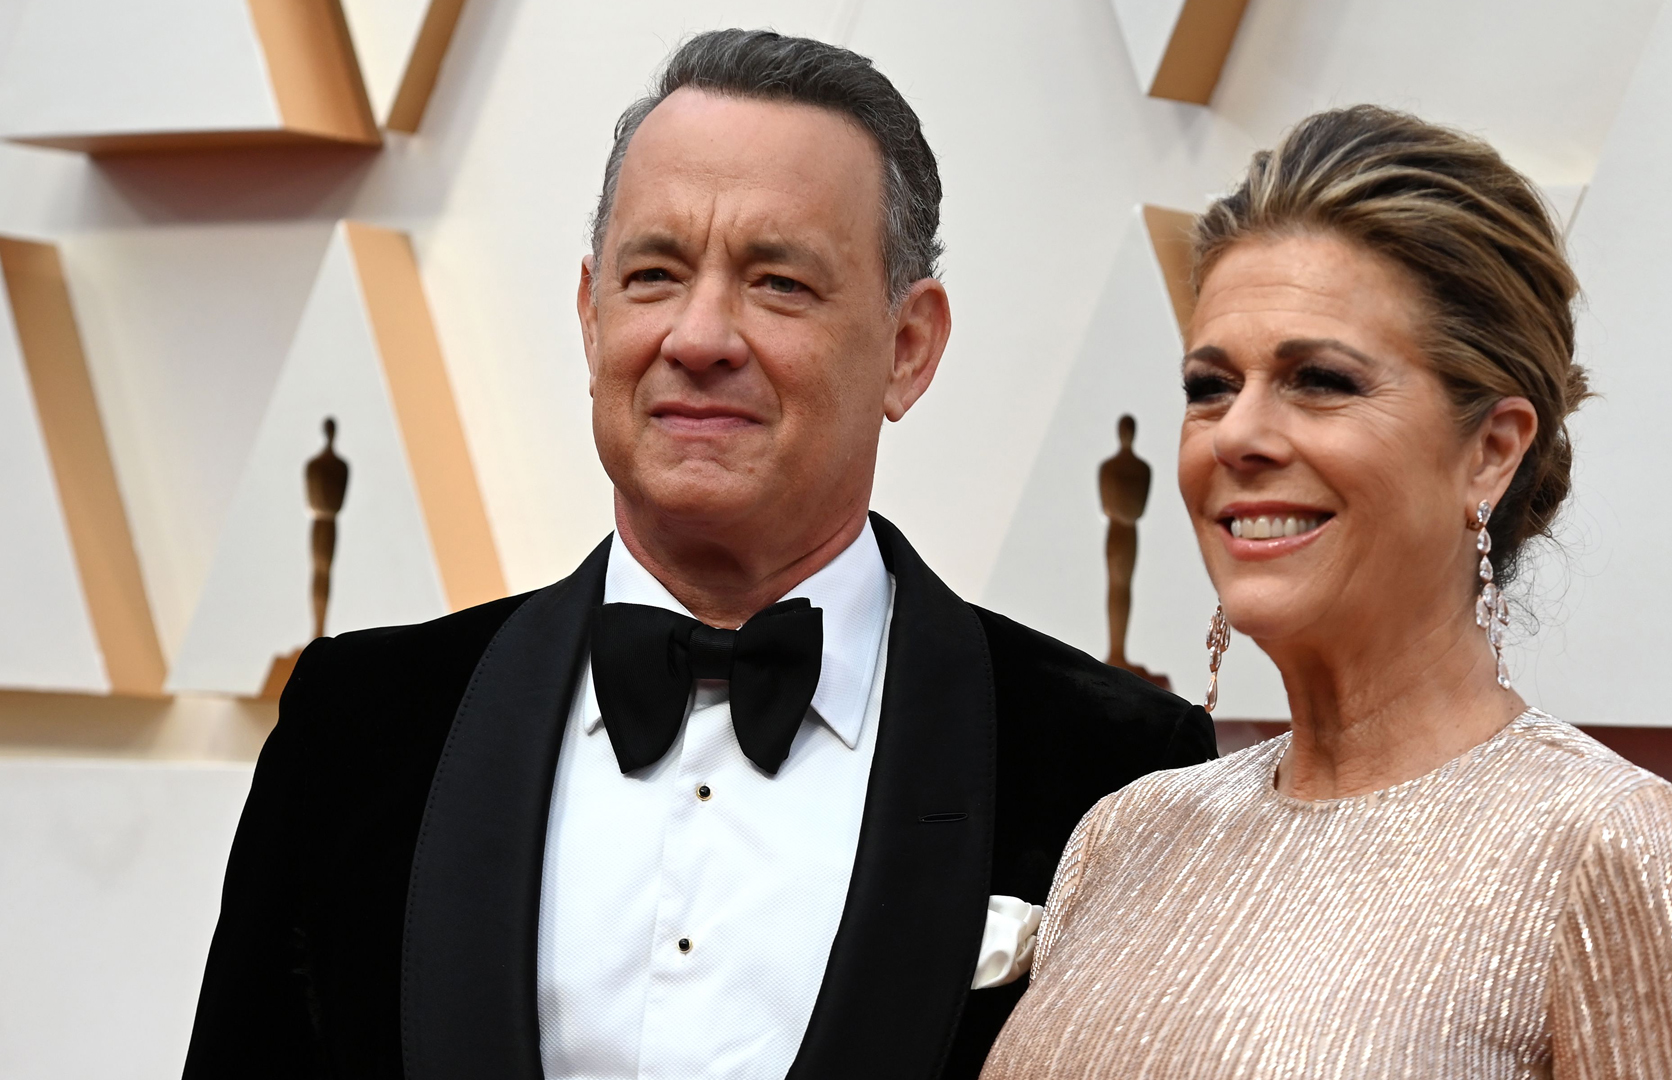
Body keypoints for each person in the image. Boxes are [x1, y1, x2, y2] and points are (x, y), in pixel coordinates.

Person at [184, 29, 1213, 1080]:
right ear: (592, 317)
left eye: (777, 283)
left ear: (908, 349)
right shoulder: (358, 724)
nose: (700, 335)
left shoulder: (1117, 776)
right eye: (655, 274)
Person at [982, 106, 1672, 1079]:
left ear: (1491, 452)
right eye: (1209, 385)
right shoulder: (1126, 835)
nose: (1238, 434)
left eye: (1320, 379)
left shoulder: (1611, 851)